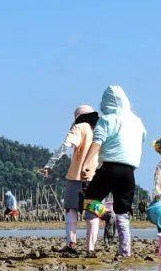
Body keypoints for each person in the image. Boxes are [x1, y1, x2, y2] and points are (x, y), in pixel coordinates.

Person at [81, 85, 147, 258]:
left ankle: (105, 215)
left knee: (88, 200)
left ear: (106, 103)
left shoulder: (107, 119)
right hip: (129, 171)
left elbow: (98, 141)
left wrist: (87, 163)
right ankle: (125, 252)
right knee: (123, 213)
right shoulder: (137, 121)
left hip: (109, 168)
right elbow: (142, 138)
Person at [39, 104, 102, 254]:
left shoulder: (79, 127)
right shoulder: (99, 130)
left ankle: (71, 244)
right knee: (93, 214)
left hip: (76, 177)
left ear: (78, 117)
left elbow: (65, 146)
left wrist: (50, 164)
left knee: (71, 210)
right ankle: (90, 249)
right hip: (96, 178)